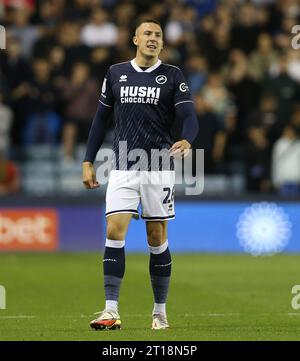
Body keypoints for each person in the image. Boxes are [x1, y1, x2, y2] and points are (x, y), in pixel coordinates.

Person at [82, 20, 198, 330]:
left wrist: (188, 138)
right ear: (135, 39)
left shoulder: (172, 76)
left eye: (158, 35)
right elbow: (100, 119)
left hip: (158, 167)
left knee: (156, 238)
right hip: (122, 167)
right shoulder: (116, 73)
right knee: (114, 230)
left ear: (162, 44)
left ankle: (159, 311)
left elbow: (189, 116)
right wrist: (87, 161)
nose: (152, 38)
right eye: (147, 33)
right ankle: (110, 310)